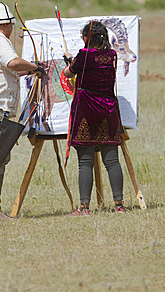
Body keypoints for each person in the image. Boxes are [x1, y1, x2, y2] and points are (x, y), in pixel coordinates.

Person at [0, 1, 44, 222]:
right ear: (7, 24)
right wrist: (35, 67)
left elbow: (7, 71)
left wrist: (30, 70)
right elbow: (12, 63)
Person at [64, 20, 125, 215]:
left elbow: (68, 73)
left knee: (85, 161)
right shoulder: (112, 55)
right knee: (112, 161)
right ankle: (119, 205)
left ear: (87, 38)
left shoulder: (83, 55)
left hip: (86, 112)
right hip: (108, 111)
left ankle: (84, 207)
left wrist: (70, 62)